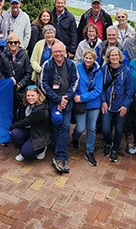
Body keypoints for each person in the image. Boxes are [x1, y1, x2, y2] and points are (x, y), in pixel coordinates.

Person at [40, 42, 78, 174]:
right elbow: (43, 84)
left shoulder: (71, 65)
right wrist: (57, 99)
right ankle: (59, 153)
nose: (58, 54)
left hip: (66, 101)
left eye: (61, 51)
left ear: (65, 51)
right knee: (56, 123)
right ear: (52, 52)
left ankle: (61, 156)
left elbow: (75, 83)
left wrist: (65, 99)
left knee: (65, 126)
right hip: (53, 100)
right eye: (56, 52)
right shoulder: (48, 65)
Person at [71, 49, 103, 167]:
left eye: (91, 58)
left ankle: (89, 151)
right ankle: (75, 137)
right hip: (79, 104)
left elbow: (98, 90)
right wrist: (75, 96)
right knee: (79, 127)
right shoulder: (77, 68)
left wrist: (83, 97)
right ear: (83, 57)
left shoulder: (98, 72)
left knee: (92, 128)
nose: (88, 60)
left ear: (94, 60)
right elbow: (73, 83)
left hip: (93, 104)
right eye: (86, 58)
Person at [101, 47, 133, 164]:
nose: (114, 57)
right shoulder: (104, 69)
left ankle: (115, 149)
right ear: (108, 58)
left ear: (120, 57)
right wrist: (103, 101)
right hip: (107, 104)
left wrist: (125, 105)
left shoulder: (126, 71)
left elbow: (129, 90)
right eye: (112, 55)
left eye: (116, 55)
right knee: (105, 128)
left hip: (120, 105)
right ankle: (108, 143)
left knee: (119, 129)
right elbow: (101, 87)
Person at [0, 33, 33, 123]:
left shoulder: (24, 56)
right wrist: (7, 82)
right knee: (7, 109)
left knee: (20, 111)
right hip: (7, 88)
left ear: (19, 43)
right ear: (7, 44)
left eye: (15, 42)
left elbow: (28, 73)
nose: (13, 44)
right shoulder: (3, 55)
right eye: (11, 42)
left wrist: (21, 84)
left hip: (21, 88)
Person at [9, 86, 51, 161]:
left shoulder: (41, 110)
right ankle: (27, 147)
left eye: (32, 95)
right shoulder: (27, 104)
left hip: (40, 134)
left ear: (38, 95)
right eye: (28, 95)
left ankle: (42, 148)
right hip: (30, 130)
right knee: (15, 133)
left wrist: (11, 127)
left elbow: (26, 121)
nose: (30, 98)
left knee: (26, 153)